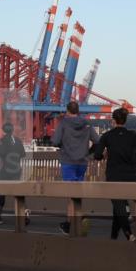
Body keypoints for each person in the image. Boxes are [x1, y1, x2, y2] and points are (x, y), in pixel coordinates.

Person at [94, 107, 136, 241]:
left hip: (114, 175)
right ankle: (113, 237)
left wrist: (104, 154)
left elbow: (97, 155)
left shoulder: (107, 136)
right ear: (125, 120)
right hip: (130, 175)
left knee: (118, 204)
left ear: (113, 120)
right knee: (118, 207)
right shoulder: (133, 136)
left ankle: (128, 234)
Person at [53, 101, 95, 236]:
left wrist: (64, 146)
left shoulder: (64, 123)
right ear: (78, 111)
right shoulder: (87, 124)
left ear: (67, 111)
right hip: (82, 162)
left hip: (68, 161)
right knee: (76, 192)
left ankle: (76, 220)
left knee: (71, 194)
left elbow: (55, 141)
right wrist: (89, 154)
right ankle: (70, 222)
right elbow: (98, 140)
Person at [0, 122, 28, 225]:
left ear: (3, 130)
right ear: (12, 130)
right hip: (16, 170)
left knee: (2, 194)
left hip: (5, 170)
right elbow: (23, 154)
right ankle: (22, 216)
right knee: (18, 194)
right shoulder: (18, 141)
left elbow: (0, 154)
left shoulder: (2, 141)